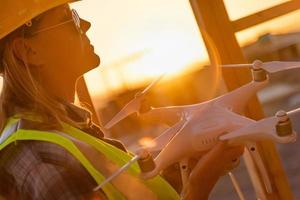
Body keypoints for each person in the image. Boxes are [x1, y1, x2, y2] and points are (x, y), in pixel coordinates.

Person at [0, 0, 243, 199]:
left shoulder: (63, 133)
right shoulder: (41, 157)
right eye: (68, 17)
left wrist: (181, 168)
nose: (85, 24)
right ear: (29, 51)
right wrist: (198, 189)